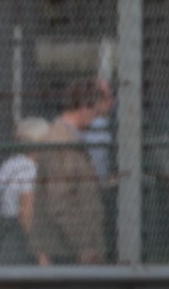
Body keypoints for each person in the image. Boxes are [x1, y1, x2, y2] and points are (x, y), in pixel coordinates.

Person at [30, 78, 110, 265]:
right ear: (84, 108)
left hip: (74, 247)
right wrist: (84, 245)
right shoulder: (60, 142)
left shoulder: (73, 140)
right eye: (97, 113)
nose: (98, 119)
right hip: (65, 251)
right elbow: (60, 201)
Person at [0, 117, 49, 265]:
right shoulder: (30, 170)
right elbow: (26, 213)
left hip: (4, 227)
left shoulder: (9, 164)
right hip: (21, 236)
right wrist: (41, 253)